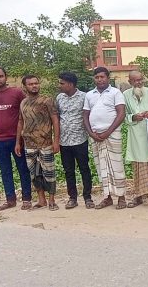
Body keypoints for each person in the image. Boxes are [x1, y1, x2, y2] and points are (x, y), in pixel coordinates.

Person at [0, 66, 32, 211]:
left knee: (23, 169)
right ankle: (10, 199)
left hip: (17, 139)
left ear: (6, 77)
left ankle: (26, 199)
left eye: (0, 76)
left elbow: (26, 112)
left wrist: (25, 134)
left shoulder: (17, 93)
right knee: (5, 171)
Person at [83, 67, 127, 210]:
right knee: (101, 166)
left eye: (102, 77)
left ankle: (121, 197)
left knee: (116, 165)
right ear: (94, 79)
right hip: (95, 136)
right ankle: (107, 197)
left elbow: (121, 114)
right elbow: (85, 115)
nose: (100, 79)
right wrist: (91, 133)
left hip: (112, 134)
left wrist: (108, 132)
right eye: (97, 77)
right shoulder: (89, 95)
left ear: (108, 78)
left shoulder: (116, 92)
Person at [15, 75, 60, 211]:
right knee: (34, 173)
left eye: (36, 83)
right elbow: (20, 122)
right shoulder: (23, 103)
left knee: (49, 171)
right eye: (30, 84)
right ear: (25, 86)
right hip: (29, 144)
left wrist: (56, 141)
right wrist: (18, 142)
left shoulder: (47, 100)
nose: (34, 86)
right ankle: (41, 199)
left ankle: (52, 199)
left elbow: (55, 120)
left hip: (45, 142)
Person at [57, 72, 94, 209]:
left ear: (71, 84)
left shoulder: (84, 97)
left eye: (62, 83)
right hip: (64, 141)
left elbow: (88, 115)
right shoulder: (59, 98)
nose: (59, 85)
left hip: (80, 139)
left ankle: (88, 197)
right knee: (68, 170)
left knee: (84, 168)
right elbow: (58, 116)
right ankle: (72, 198)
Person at [123, 71, 148, 208]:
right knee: (138, 166)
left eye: (141, 80)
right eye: (136, 80)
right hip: (135, 134)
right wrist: (133, 117)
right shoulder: (125, 95)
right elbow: (123, 114)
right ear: (130, 81)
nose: (139, 82)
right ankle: (139, 196)